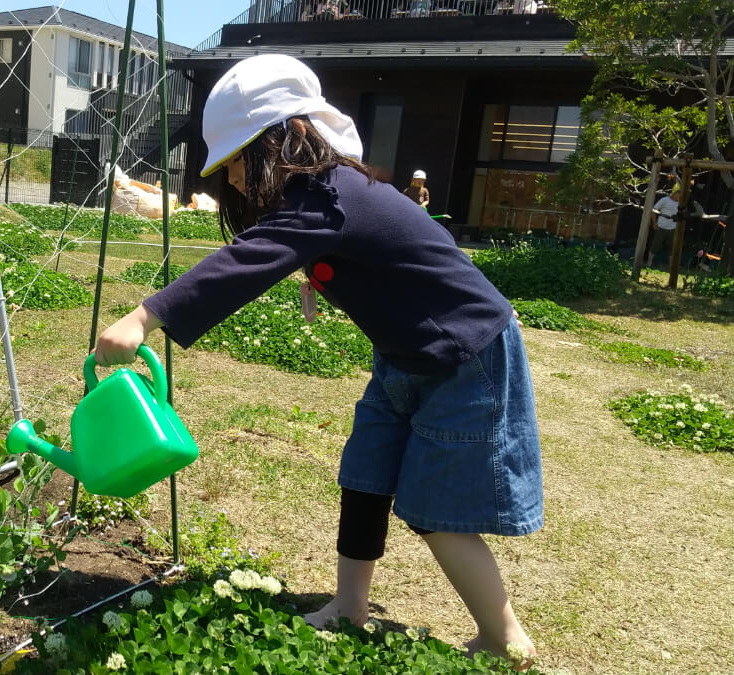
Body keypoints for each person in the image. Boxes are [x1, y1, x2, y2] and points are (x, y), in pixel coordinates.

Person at [95, 54, 541, 667]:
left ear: (292, 137)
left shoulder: (329, 197)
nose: (236, 182)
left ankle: (503, 635)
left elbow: (241, 265)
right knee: (364, 475)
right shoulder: (324, 202)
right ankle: (349, 605)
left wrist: (144, 316)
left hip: (465, 356)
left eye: (239, 161)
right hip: (405, 356)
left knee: (434, 510)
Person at [646, 187, 680, 268]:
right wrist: (654, 223)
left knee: (672, 247)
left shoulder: (681, 203)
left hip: (673, 228)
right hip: (661, 226)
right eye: (679, 194)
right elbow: (654, 211)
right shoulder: (664, 200)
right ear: (675, 193)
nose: (680, 197)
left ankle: (671, 265)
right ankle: (649, 263)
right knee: (656, 245)